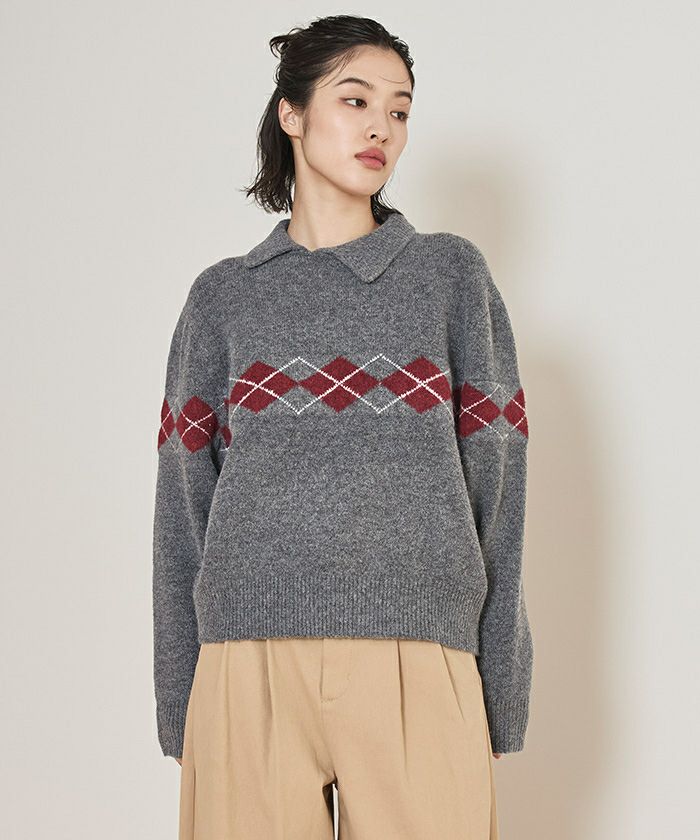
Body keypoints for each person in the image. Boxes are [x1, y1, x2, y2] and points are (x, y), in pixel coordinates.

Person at [152, 14, 533, 840]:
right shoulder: (222, 298)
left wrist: (501, 684)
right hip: (245, 661)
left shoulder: (450, 277)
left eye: (399, 110)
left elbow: (499, 493)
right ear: (291, 112)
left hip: (418, 653)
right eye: (355, 100)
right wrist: (180, 697)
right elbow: (183, 508)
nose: (381, 128)